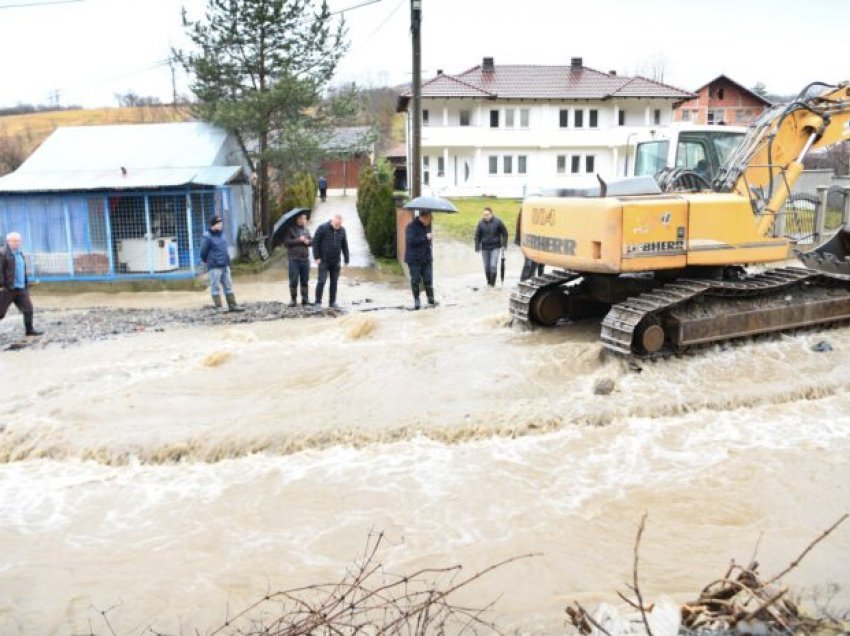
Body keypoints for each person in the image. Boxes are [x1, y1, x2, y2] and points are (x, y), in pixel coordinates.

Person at [0, 232, 43, 337]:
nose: (17, 243)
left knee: (28, 308)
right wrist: (1, 285)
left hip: (21, 288)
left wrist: (26, 283)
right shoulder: (2, 253)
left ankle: (29, 330)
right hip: (8, 288)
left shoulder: (19, 253)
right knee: (0, 312)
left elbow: (21, 270)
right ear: (8, 241)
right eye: (14, 241)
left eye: (18, 241)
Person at [199, 215, 244, 312]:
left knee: (228, 285)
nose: (220, 225)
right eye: (218, 224)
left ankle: (232, 305)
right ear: (213, 225)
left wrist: (228, 261)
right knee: (215, 287)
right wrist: (208, 262)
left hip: (225, 264)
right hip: (215, 266)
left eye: (221, 223)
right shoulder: (207, 236)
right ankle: (218, 306)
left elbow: (225, 249)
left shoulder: (222, 234)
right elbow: (203, 252)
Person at [312, 213, 349, 308]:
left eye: (339, 225)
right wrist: (316, 257)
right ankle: (318, 302)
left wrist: (346, 259)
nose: (338, 227)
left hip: (336, 261)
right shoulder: (322, 228)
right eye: (336, 225)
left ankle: (332, 302)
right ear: (332, 221)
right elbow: (315, 242)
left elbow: (344, 245)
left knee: (334, 282)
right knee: (321, 281)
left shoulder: (342, 230)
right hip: (323, 260)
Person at [404, 211, 436, 309]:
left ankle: (431, 300)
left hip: (426, 258)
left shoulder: (427, 226)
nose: (429, 222)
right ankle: (417, 301)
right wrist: (425, 237)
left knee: (428, 279)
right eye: (428, 220)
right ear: (423, 218)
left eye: (430, 220)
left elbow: (427, 242)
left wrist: (429, 239)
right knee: (415, 280)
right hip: (414, 259)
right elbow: (411, 241)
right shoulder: (411, 226)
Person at [474, 207, 508, 286]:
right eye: (484, 215)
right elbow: (477, 235)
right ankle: (488, 283)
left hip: (495, 247)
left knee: (493, 265)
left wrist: (504, 245)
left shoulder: (498, 222)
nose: (485, 217)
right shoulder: (480, 223)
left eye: (487, 215)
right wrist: (477, 247)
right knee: (487, 267)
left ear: (491, 214)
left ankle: (492, 285)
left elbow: (505, 233)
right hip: (485, 248)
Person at [283, 212, 312, 307]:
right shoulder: (290, 229)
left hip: (305, 259)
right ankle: (293, 300)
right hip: (293, 259)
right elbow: (286, 242)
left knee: (305, 280)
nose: (302, 220)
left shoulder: (307, 230)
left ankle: (305, 299)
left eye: (304, 218)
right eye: (300, 218)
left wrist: (308, 242)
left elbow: (312, 242)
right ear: (296, 219)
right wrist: (299, 240)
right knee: (294, 280)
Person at [515, 209, 544, 281]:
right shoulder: (525, 210)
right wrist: (518, 240)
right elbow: (519, 225)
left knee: (535, 263)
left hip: (538, 241)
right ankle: (523, 281)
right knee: (528, 263)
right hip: (527, 241)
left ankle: (531, 280)